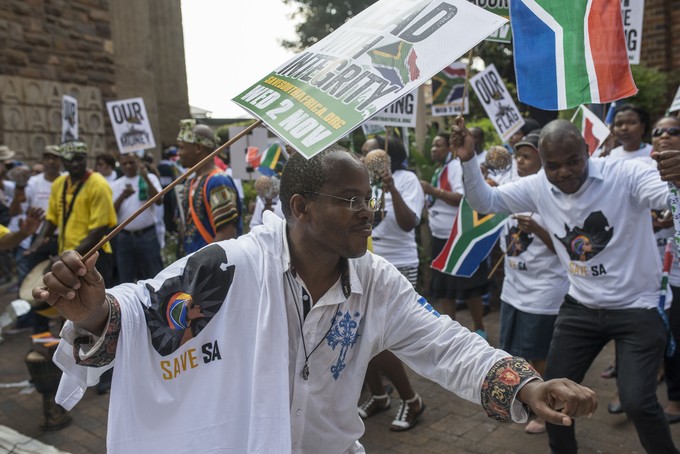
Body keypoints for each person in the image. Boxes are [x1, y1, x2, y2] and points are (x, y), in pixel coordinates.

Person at [37, 144, 596, 453]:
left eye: (368, 198)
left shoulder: (375, 279)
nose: (368, 211)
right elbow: (142, 314)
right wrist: (91, 309)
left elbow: (446, 344)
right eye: (349, 199)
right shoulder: (230, 266)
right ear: (300, 208)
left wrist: (525, 384)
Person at [452, 117, 680, 453]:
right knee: (553, 396)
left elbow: (664, 197)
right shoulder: (538, 186)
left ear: (588, 151)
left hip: (638, 307)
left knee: (637, 401)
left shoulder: (626, 173)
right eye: (553, 165)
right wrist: (468, 160)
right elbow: (485, 202)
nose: (564, 173)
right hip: (581, 309)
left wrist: (676, 178)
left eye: (573, 161)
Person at [498, 131, 570, 434]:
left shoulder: (555, 195)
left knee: (540, 353)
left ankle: (546, 410)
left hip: (543, 292)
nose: (520, 161)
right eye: (518, 156)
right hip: (512, 289)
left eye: (526, 156)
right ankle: (524, 400)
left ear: (543, 159)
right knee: (515, 350)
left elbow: (569, 250)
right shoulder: (512, 190)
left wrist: (538, 229)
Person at [358, 136, 427, 431]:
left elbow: (408, 222)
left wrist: (391, 186)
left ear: (388, 155)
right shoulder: (366, 183)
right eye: (362, 154)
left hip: (399, 263)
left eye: (369, 154)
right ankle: (378, 395)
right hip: (368, 262)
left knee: (384, 338)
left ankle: (412, 401)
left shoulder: (407, 179)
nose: (364, 159)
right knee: (360, 335)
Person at [420, 133, 488, 339]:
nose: (433, 149)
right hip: (441, 238)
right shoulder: (441, 169)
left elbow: (462, 198)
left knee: (469, 286)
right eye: (432, 145)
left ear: (450, 149)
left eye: (438, 145)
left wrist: (433, 191)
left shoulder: (455, 167)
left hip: (458, 237)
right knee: (445, 287)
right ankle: (451, 332)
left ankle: (479, 328)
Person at [649, 116, 680, 424]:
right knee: (670, 337)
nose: (665, 135)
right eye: (658, 131)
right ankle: (673, 393)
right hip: (658, 275)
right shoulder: (640, 172)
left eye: (674, 131)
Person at [176, 119, 242, 254]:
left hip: (214, 267)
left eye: (182, 147)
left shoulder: (218, 182)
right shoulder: (191, 181)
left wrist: (201, 265)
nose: (179, 153)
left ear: (198, 148)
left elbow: (226, 233)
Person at [111, 152, 164, 283]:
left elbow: (158, 201)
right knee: (126, 279)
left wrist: (145, 177)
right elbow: (111, 212)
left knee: (155, 276)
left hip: (147, 235)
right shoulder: (116, 184)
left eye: (131, 162)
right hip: (125, 237)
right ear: (120, 165)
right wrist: (123, 195)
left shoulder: (150, 178)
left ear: (138, 162)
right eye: (124, 163)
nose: (128, 166)